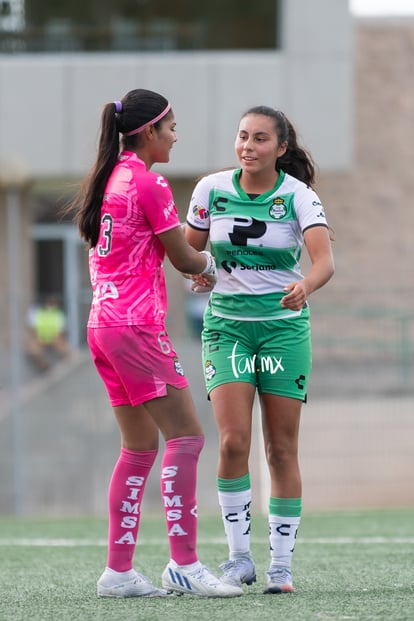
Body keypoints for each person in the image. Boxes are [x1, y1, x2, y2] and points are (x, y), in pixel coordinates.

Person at [66, 88, 242, 599]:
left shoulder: (109, 179)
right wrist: (215, 268)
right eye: (170, 128)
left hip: (102, 325)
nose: (175, 136)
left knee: (139, 448)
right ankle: (184, 564)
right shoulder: (147, 182)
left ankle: (118, 572)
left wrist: (196, 268)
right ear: (148, 132)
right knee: (186, 438)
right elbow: (186, 259)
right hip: (137, 327)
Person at [184, 106, 335, 594]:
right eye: (243, 136)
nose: (248, 146)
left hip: (282, 331)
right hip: (227, 329)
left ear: (281, 148)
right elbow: (192, 252)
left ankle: (281, 566)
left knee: (281, 447)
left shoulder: (297, 196)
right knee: (232, 443)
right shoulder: (210, 190)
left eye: (260, 139)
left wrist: (305, 287)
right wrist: (197, 272)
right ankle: (238, 559)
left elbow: (324, 262)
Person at [26, 295, 71, 370]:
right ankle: (45, 366)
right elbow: (32, 329)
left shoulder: (58, 314)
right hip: (40, 338)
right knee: (33, 349)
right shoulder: (37, 313)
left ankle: (67, 368)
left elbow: (61, 332)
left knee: (66, 350)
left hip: (54, 339)